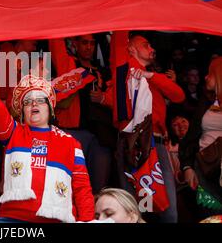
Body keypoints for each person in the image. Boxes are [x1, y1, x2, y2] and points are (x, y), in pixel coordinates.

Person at [0, 34, 94, 223]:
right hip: (12, 219)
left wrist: (87, 221)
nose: (34, 104)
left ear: (50, 107)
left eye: (40, 100)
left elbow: (82, 189)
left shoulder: (71, 143)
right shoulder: (12, 132)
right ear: (22, 110)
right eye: (28, 102)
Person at [113, 34, 185, 223]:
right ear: (131, 49)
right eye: (146, 45)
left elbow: (179, 96)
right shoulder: (123, 67)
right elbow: (119, 36)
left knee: (167, 209)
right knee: (134, 211)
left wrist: (151, 75)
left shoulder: (154, 76)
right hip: (132, 144)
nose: (152, 48)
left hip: (157, 144)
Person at [49, 35, 114, 193]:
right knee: (67, 185)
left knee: (99, 188)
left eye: (92, 43)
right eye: (84, 42)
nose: (88, 47)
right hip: (73, 132)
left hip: (101, 136)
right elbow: (55, 43)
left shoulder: (103, 71)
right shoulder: (71, 65)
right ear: (75, 44)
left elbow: (120, 101)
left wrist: (103, 98)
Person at [179, 57, 222, 218]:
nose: (205, 77)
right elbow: (190, 138)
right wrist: (187, 167)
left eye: (210, 73)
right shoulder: (205, 101)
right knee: (210, 216)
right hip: (205, 170)